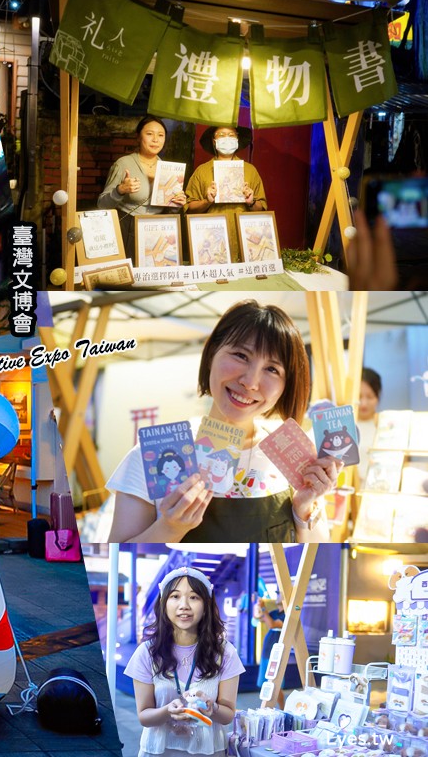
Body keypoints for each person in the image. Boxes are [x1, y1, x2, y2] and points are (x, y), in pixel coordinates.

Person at [107, 300, 343, 542]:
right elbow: (116, 558)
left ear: (286, 385)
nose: (250, 382)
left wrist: (304, 506)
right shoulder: (155, 454)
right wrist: (170, 528)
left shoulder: (291, 454)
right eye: (241, 355)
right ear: (211, 354)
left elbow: (315, 558)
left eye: (272, 370)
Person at [126, 567, 243, 757]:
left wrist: (211, 707)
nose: (184, 605)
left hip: (209, 752)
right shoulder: (147, 652)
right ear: (164, 604)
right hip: (158, 751)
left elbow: (228, 715)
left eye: (194, 597)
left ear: (206, 605)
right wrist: (167, 711)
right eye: (175, 596)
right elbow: (144, 716)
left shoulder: (225, 652)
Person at [98, 115, 188, 252]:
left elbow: (168, 209)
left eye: (161, 135)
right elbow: (102, 204)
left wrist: (176, 204)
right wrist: (120, 190)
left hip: (158, 232)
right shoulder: (123, 164)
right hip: (127, 229)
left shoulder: (168, 169)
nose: (155, 140)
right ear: (138, 137)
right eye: (149, 134)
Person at [184, 126, 268, 262]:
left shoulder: (250, 170)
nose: (227, 138)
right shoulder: (202, 171)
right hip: (211, 241)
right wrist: (207, 201)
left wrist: (251, 201)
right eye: (221, 135)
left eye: (231, 135)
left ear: (237, 139)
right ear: (213, 141)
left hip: (244, 240)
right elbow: (189, 208)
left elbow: (262, 209)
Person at [356, 367, 381, 467]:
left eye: (370, 397)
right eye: (359, 397)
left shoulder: (385, 425)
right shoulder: (343, 427)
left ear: (378, 397)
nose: (363, 404)